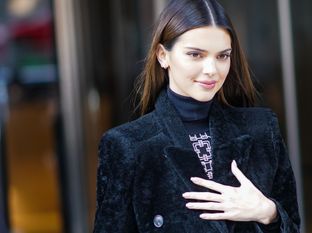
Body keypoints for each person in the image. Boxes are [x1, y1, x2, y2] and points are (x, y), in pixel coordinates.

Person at [92, 0, 300, 232]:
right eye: (195, 55)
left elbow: (292, 225)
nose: (212, 69)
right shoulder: (128, 145)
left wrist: (268, 212)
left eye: (222, 56)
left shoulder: (262, 129)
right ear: (163, 56)